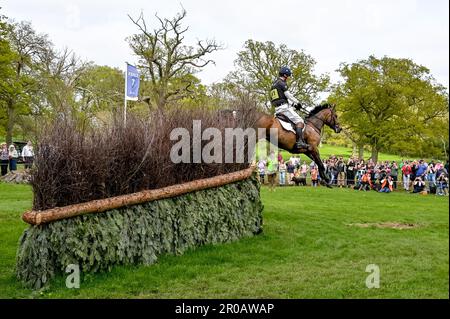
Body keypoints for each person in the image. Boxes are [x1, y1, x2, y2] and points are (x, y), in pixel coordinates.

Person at [269, 66, 309, 149]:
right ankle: (300, 142)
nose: (288, 78)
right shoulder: (282, 83)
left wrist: (294, 105)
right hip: (284, 108)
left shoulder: (274, 84)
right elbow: (288, 95)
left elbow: (281, 97)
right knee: (300, 121)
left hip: (277, 109)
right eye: (288, 76)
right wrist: (298, 102)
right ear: (285, 75)